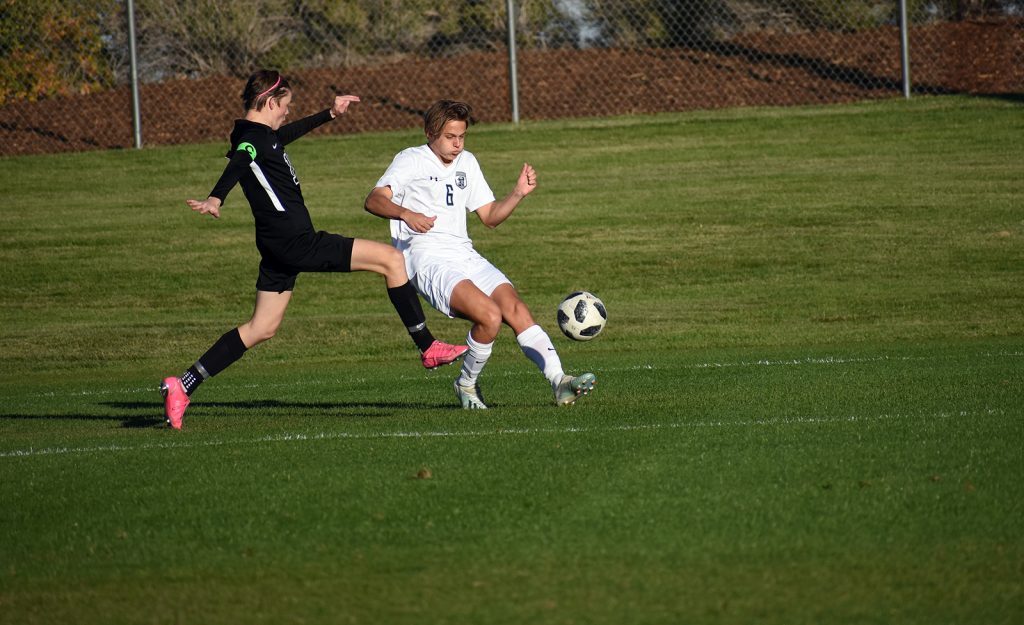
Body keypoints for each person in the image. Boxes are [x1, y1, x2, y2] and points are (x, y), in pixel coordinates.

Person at [159, 70, 467, 429]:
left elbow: (280, 138)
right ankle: (427, 347)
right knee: (391, 259)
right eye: (285, 106)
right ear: (270, 102)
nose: (287, 113)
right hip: (295, 242)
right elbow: (241, 160)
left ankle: (183, 385)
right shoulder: (250, 140)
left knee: (262, 327)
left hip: (278, 245)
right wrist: (216, 197)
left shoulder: (262, 136)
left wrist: (329, 115)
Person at [364, 100, 596, 409]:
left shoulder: (467, 162)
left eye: (462, 136)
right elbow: (374, 199)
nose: (457, 144)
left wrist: (517, 194)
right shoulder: (411, 160)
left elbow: (489, 216)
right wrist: (405, 213)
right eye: (450, 137)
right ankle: (466, 385)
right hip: (426, 257)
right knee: (489, 316)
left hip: (464, 253)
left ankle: (560, 382)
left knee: (514, 308)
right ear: (430, 132)